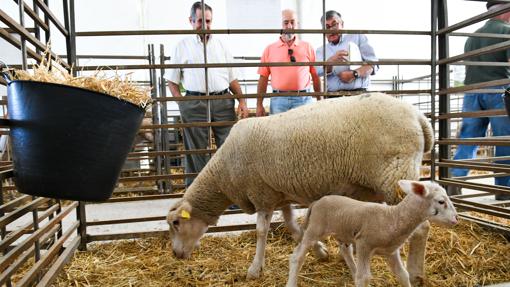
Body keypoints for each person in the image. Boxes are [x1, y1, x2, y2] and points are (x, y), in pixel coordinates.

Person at [166, 1, 249, 187]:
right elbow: (172, 81)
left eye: (209, 21)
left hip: (222, 100)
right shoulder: (182, 46)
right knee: (196, 151)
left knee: (229, 148)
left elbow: (232, 78)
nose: (205, 26)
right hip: (194, 102)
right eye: (200, 21)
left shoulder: (221, 45)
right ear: (191, 21)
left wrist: (242, 101)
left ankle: (231, 195)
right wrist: (183, 104)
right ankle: (196, 197)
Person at [450, 2, 510, 200]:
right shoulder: (507, 31)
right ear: (506, 11)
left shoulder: (472, 37)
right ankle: (503, 189)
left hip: (472, 92)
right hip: (498, 90)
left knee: (468, 139)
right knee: (504, 140)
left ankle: (454, 183)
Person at [256, 9, 321, 116]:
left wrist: (320, 100)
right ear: (280, 25)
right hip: (279, 100)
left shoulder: (307, 47)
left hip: (303, 99)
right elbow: (263, 78)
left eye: (292, 22)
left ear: (297, 24)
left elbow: (315, 75)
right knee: (278, 132)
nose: (289, 26)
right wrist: (259, 105)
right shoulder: (270, 49)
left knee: (304, 132)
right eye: (286, 23)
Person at [315, 10, 378, 97]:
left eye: (334, 24)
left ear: (342, 24)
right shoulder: (320, 51)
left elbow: (373, 65)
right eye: (327, 27)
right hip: (333, 97)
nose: (331, 30)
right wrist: (330, 62)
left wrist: (355, 74)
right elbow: (318, 72)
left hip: (359, 94)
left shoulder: (358, 37)